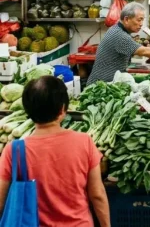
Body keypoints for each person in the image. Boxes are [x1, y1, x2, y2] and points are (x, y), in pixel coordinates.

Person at [0, 76, 110, 226]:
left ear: (27, 109)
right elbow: (97, 194)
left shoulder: (14, 150)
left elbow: (1, 200)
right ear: (62, 109)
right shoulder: (84, 142)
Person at [87, 2, 150, 85]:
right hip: (100, 86)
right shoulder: (120, 35)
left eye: (142, 20)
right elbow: (144, 51)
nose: (141, 24)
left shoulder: (117, 30)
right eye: (139, 20)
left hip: (108, 83)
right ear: (126, 19)